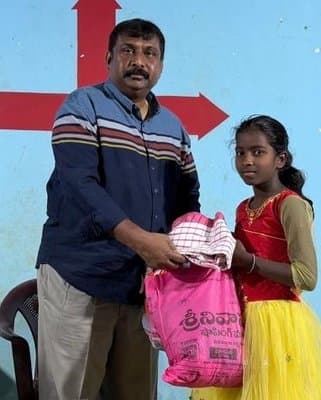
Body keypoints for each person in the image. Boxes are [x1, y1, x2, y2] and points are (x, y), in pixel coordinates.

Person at [35, 18, 200, 400]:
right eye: (128, 50)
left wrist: (190, 250)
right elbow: (80, 186)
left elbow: (187, 200)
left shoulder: (173, 129)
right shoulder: (82, 106)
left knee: (136, 393)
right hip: (80, 275)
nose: (138, 61)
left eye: (150, 53)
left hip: (143, 286)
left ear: (160, 64)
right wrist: (142, 241)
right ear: (110, 58)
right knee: (71, 393)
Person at [191, 115, 321, 400]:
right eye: (240, 153)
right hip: (238, 321)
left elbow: (307, 276)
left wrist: (249, 261)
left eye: (258, 152)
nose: (247, 161)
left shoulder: (290, 204)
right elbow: (240, 260)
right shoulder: (244, 208)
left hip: (277, 324)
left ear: (280, 159)